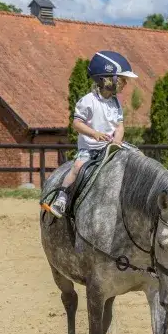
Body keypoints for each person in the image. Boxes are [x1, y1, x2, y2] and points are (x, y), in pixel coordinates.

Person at [45, 50, 138, 218]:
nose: (125, 84)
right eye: (122, 80)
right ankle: (62, 197)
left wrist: (116, 143)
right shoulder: (88, 101)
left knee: (138, 157)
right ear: (108, 79)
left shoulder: (116, 102)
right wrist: (94, 133)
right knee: (77, 167)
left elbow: (120, 126)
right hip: (90, 149)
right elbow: (77, 124)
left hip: (111, 146)